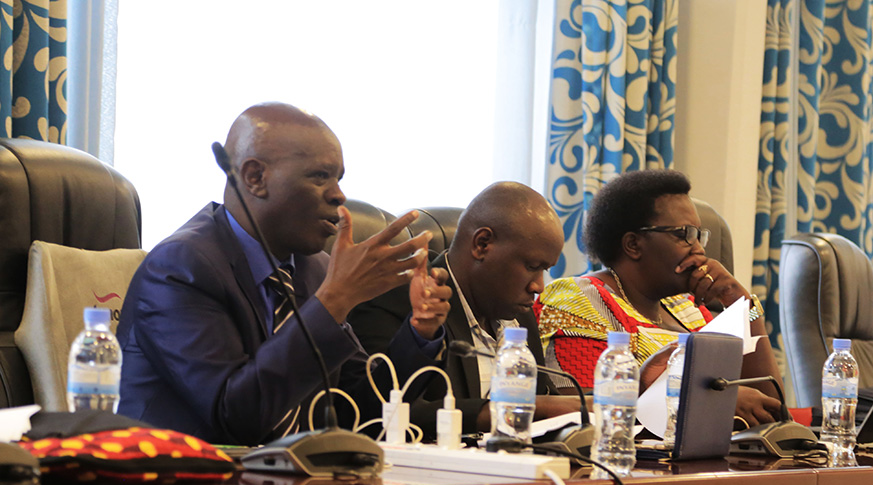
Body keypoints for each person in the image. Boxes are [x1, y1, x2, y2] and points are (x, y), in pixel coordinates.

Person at [116, 102, 451, 445]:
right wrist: (334, 300)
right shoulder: (181, 266)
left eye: (338, 178)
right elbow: (235, 418)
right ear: (255, 178)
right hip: (182, 477)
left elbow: (357, 410)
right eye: (320, 176)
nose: (339, 194)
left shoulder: (314, 268)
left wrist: (419, 331)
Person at [536, 169, 783, 427]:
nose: (699, 249)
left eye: (699, 235)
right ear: (633, 244)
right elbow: (589, 411)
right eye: (684, 234)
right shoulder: (579, 299)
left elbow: (770, 406)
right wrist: (719, 401)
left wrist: (742, 305)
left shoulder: (689, 309)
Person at [349, 182, 580, 439]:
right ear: (482, 244)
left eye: (544, 270)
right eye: (532, 266)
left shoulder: (519, 314)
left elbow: (546, 399)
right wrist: (513, 410)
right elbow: (378, 414)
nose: (538, 286)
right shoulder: (398, 298)